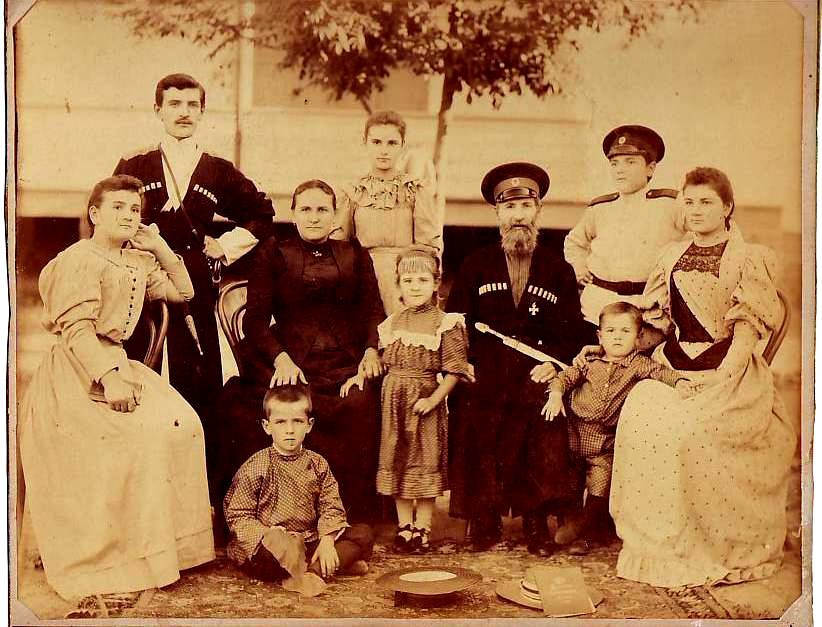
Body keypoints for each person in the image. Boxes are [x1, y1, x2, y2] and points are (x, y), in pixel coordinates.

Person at [19, 175, 214, 604]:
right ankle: (120, 555)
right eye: (118, 208)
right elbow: (78, 331)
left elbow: (184, 291)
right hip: (77, 371)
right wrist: (109, 378)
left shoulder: (135, 262)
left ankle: (168, 549)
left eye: (134, 210)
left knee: (185, 426)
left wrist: (158, 246)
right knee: (139, 437)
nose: (128, 216)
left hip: (120, 365)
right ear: (95, 214)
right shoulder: (78, 260)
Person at [608, 167, 796, 587]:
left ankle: (703, 543)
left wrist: (721, 377)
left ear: (727, 207)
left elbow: (746, 331)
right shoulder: (670, 256)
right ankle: (656, 544)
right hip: (674, 366)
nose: (695, 210)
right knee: (639, 414)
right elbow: (659, 324)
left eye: (706, 202)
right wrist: (614, 348)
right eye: (689, 202)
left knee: (691, 433)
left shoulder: (750, 258)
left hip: (729, 371)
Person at [210, 179, 385, 527]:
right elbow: (255, 321)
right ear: (293, 214)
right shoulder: (273, 252)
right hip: (289, 358)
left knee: (360, 404)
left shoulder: (354, 252)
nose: (314, 217)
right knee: (246, 406)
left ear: (334, 215)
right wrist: (281, 359)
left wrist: (370, 351)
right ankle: (262, 511)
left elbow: (373, 310)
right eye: (306, 209)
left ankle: (348, 517)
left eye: (322, 210)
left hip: (344, 361)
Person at [113, 73, 275, 419]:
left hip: (193, 280)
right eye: (174, 104)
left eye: (192, 105)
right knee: (139, 364)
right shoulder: (135, 163)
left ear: (202, 112)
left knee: (197, 377)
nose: (183, 112)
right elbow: (107, 215)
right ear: (158, 110)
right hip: (141, 279)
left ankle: (198, 448)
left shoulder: (216, 168)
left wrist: (225, 246)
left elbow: (262, 213)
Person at [445, 162, 586, 555]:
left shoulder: (558, 269)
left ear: (538, 210)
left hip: (535, 368)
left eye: (526, 206)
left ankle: (535, 520)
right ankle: (484, 516)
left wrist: (553, 363)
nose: (518, 215)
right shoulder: (475, 264)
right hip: (485, 366)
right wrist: (462, 362)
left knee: (541, 413)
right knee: (476, 406)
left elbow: (572, 331)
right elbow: (454, 322)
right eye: (509, 207)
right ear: (497, 213)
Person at [541, 301, 693, 554]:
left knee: (599, 488)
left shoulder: (638, 364)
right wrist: (556, 394)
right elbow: (565, 377)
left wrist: (679, 382)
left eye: (625, 331)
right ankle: (569, 523)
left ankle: (584, 533)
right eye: (611, 331)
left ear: (638, 337)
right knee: (570, 486)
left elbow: (660, 372)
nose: (618, 337)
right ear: (600, 336)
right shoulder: (588, 362)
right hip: (574, 435)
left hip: (605, 443)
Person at [224, 384, 374, 597]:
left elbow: (331, 504)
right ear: (267, 426)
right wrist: (268, 534)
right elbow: (238, 515)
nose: (290, 430)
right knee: (267, 556)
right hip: (274, 542)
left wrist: (327, 540)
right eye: (280, 422)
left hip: (309, 539)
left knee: (363, 534)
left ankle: (315, 570)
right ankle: (331, 566)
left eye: (297, 421)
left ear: (309, 425)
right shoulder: (256, 466)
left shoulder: (317, 463)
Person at [376, 246, 472, 553]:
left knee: (424, 459)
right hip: (394, 402)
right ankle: (405, 527)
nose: (415, 287)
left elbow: (455, 370)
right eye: (408, 281)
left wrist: (433, 400)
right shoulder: (392, 323)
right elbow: (384, 360)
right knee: (398, 459)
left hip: (425, 401)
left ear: (435, 284)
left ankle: (423, 527)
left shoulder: (446, 323)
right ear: (399, 285)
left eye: (422, 280)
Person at [564, 125, 685, 337]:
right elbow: (574, 243)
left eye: (630, 162)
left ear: (650, 168)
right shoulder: (600, 207)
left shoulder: (670, 204)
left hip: (647, 306)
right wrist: (579, 267)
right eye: (615, 163)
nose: (620, 169)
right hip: (599, 304)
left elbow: (700, 233)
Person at [333, 110, 442, 314]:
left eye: (391, 143)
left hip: (404, 280)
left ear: (402, 145)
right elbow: (339, 245)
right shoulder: (353, 191)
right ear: (365, 142)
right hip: (362, 278)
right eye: (376, 142)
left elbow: (426, 247)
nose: (383, 151)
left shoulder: (414, 190)